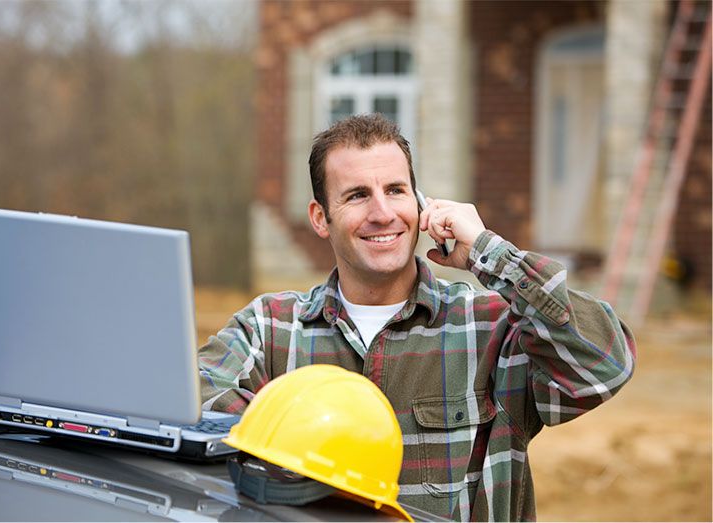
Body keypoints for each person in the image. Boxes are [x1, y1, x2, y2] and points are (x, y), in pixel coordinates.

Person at [198, 114, 636, 520]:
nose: (383, 213)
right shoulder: (270, 328)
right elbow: (190, 403)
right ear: (320, 217)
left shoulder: (493, 328)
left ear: (421, 204)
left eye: (395, 190)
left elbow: (603, 365)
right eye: (357, 195)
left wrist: (490, 254)